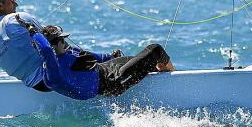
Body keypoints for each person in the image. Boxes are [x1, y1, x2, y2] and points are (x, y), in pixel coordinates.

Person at [31, 25, 174, 100]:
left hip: (105, 68)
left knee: (146, 61)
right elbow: (45, 49)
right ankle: (174, 79)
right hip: (111, 83)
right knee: (155, 50)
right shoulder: (52, 73)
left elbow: (91, 56)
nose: (64, 42)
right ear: (51, 46)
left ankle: (163, 72)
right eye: (60, 40)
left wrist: (110, 56)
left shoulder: (66, 50)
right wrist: (33, 32)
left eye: (63, 39)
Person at [0, 0, 47, 91]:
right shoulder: (17, 18)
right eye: (11, 2)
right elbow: (50, 37)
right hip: (51, 77)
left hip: (37, 86)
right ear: (0, 5)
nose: (16, 5)